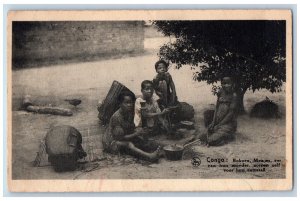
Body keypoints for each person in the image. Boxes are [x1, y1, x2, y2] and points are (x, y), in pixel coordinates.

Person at [102, 91, 160, 162]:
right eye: (126, 103)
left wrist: (140, 132)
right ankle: (149, 157)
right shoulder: (116, 117)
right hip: (112, 142)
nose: (129, 105)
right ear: (120, 104)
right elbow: (120, 138)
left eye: (131, 102)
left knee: (143, 141)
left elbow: (131, 128)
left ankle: (157, 151)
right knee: (129, 144)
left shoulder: (130, 113)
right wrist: (136, 134)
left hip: (124, 136)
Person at [198, 77, 238, 146]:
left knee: (212, 140)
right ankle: (217, 132)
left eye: (228, 83)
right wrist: (213, 123)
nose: (226, 85)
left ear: (232, 84)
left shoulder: (234, 96)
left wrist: (219, 125)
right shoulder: (220, 92)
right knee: (201, 136)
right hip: (218, 121)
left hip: (228, 123)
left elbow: (230, 114)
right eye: (224, 83)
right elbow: (217, 107)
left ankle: (228, 136)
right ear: (221, 84)